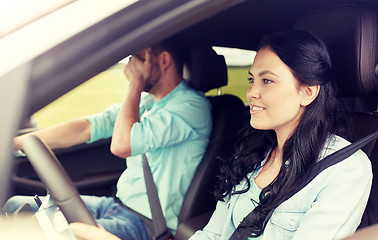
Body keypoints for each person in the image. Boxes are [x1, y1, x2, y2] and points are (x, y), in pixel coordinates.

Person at [62, 30, 373, 240]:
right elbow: (211, 236)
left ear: (307, 91)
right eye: (252, 79)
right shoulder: (253, 156)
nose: (251, 92)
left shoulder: (345, 170)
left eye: (267, 81)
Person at [3, 36, 212, 240]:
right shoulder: (149, 103)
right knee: (16, 207)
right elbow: (87, 128)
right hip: (117, 205)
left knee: (35, 232)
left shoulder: (191, 107)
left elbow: (122, 144)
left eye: (137, 58)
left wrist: (135, 84)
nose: (129, 67)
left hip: (149, 225)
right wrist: (12, 143)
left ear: (164, 60)